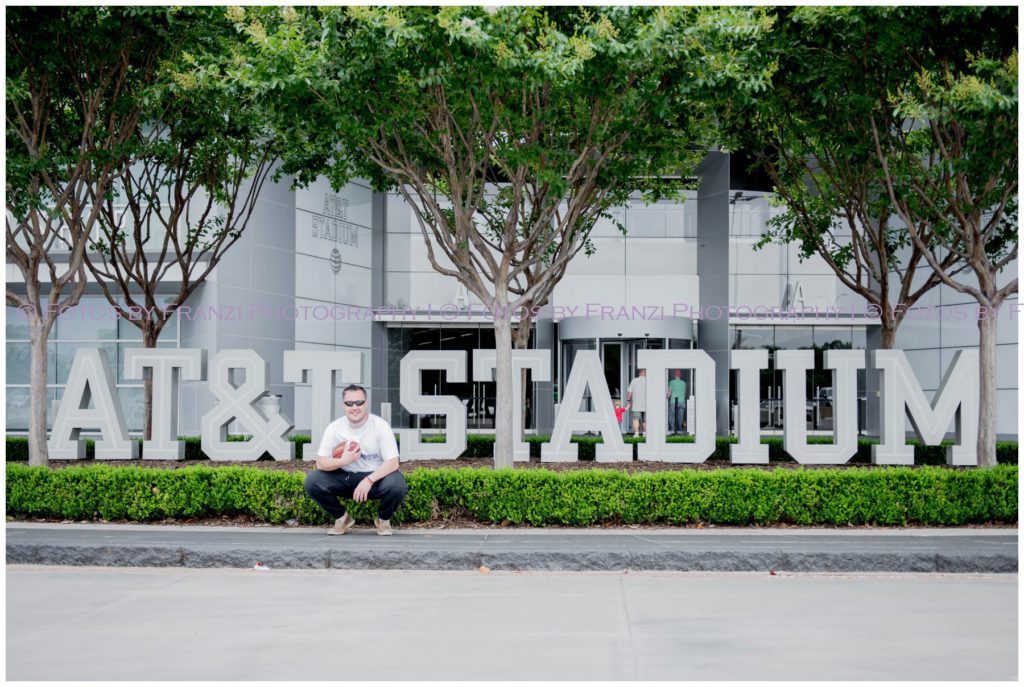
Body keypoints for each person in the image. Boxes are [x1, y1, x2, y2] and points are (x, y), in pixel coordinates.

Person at [303, 384, 408, 536]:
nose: (354, 407)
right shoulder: (334, 428)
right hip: (345, 477)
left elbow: (393, 462)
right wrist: (343, 461)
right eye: (349, 403)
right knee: (312, 481)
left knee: (397, 485)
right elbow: (320, 462)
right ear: (343, 405)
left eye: (359, 402)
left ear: (366, 403)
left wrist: (369, 480)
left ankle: (383, 520)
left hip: (375, 478)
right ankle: (343, 519)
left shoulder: (380, 426)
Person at [625, 368, 647, 437]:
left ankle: (637, 433)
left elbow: (630, 392)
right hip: (647, 404)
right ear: (645, 373)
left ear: (639, 373)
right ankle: (644, 433)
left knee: (636, 419)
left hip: (637, 404)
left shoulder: (634, 381)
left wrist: (628, 400)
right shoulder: (649, 380)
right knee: (645, 420)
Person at [667, 369, 687, 435]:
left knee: (672, 415)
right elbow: (684, 393)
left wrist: (667, 396)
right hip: (681, 401)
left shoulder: (671, 382)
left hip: (673, 401)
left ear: (675, 375)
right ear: (680, 375)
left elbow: (669, 392)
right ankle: (680, 429)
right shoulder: (684, 383)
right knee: (680, 416)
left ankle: (673, 428)